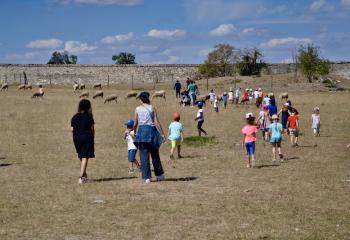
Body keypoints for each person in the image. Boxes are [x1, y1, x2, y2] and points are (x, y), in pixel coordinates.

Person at [134, 92, 166, 183]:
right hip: (152, 132)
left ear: (141, 99)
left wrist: (135, 132)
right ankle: (159, 175)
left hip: (142, 133)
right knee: (155, 154)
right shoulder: (152, 108)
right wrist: (162, 134)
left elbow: (136, 123)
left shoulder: (137, 109)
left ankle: (147, 177)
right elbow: (156, 122)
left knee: (143, 155)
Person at [71, 99, 95, 184]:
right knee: (85, 157)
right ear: (88, 107)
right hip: (86, 137)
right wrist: (92, 138)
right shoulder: (89, 116)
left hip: (76, 138)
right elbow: (92, 129)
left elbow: (72, 129)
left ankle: (84, 175)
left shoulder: (75, 116)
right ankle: (81, 178)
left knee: (81, 156)